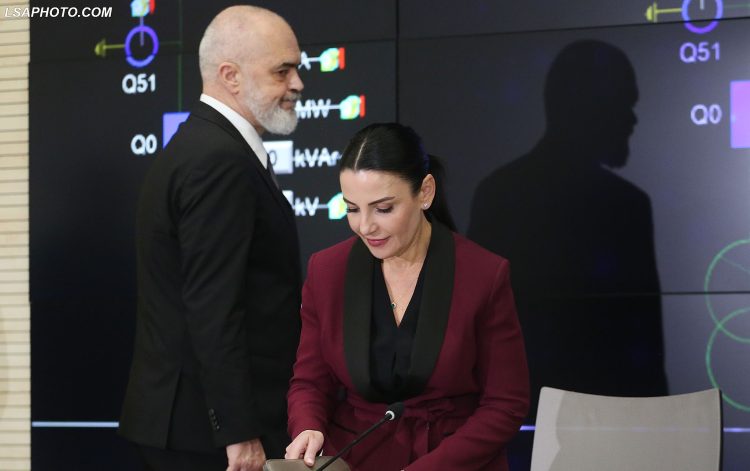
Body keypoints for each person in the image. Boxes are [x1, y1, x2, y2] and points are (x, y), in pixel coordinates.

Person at [119, 6, 304, 471]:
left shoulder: (205, 145)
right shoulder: (218, 160)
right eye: (282, 71)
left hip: (196, 426)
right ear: (230, 76)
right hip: (208, 436)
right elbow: (213, 306)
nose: (297, 83)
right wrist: (239, 431)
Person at [284, 123, 529, 471]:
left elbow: (505, 404)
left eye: (383, 209)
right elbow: (310, 381)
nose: (365, 226)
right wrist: (307, 425)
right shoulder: (327, 271)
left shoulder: (484, 275)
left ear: (425, 192)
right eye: (352, 208)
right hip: (355, 460)